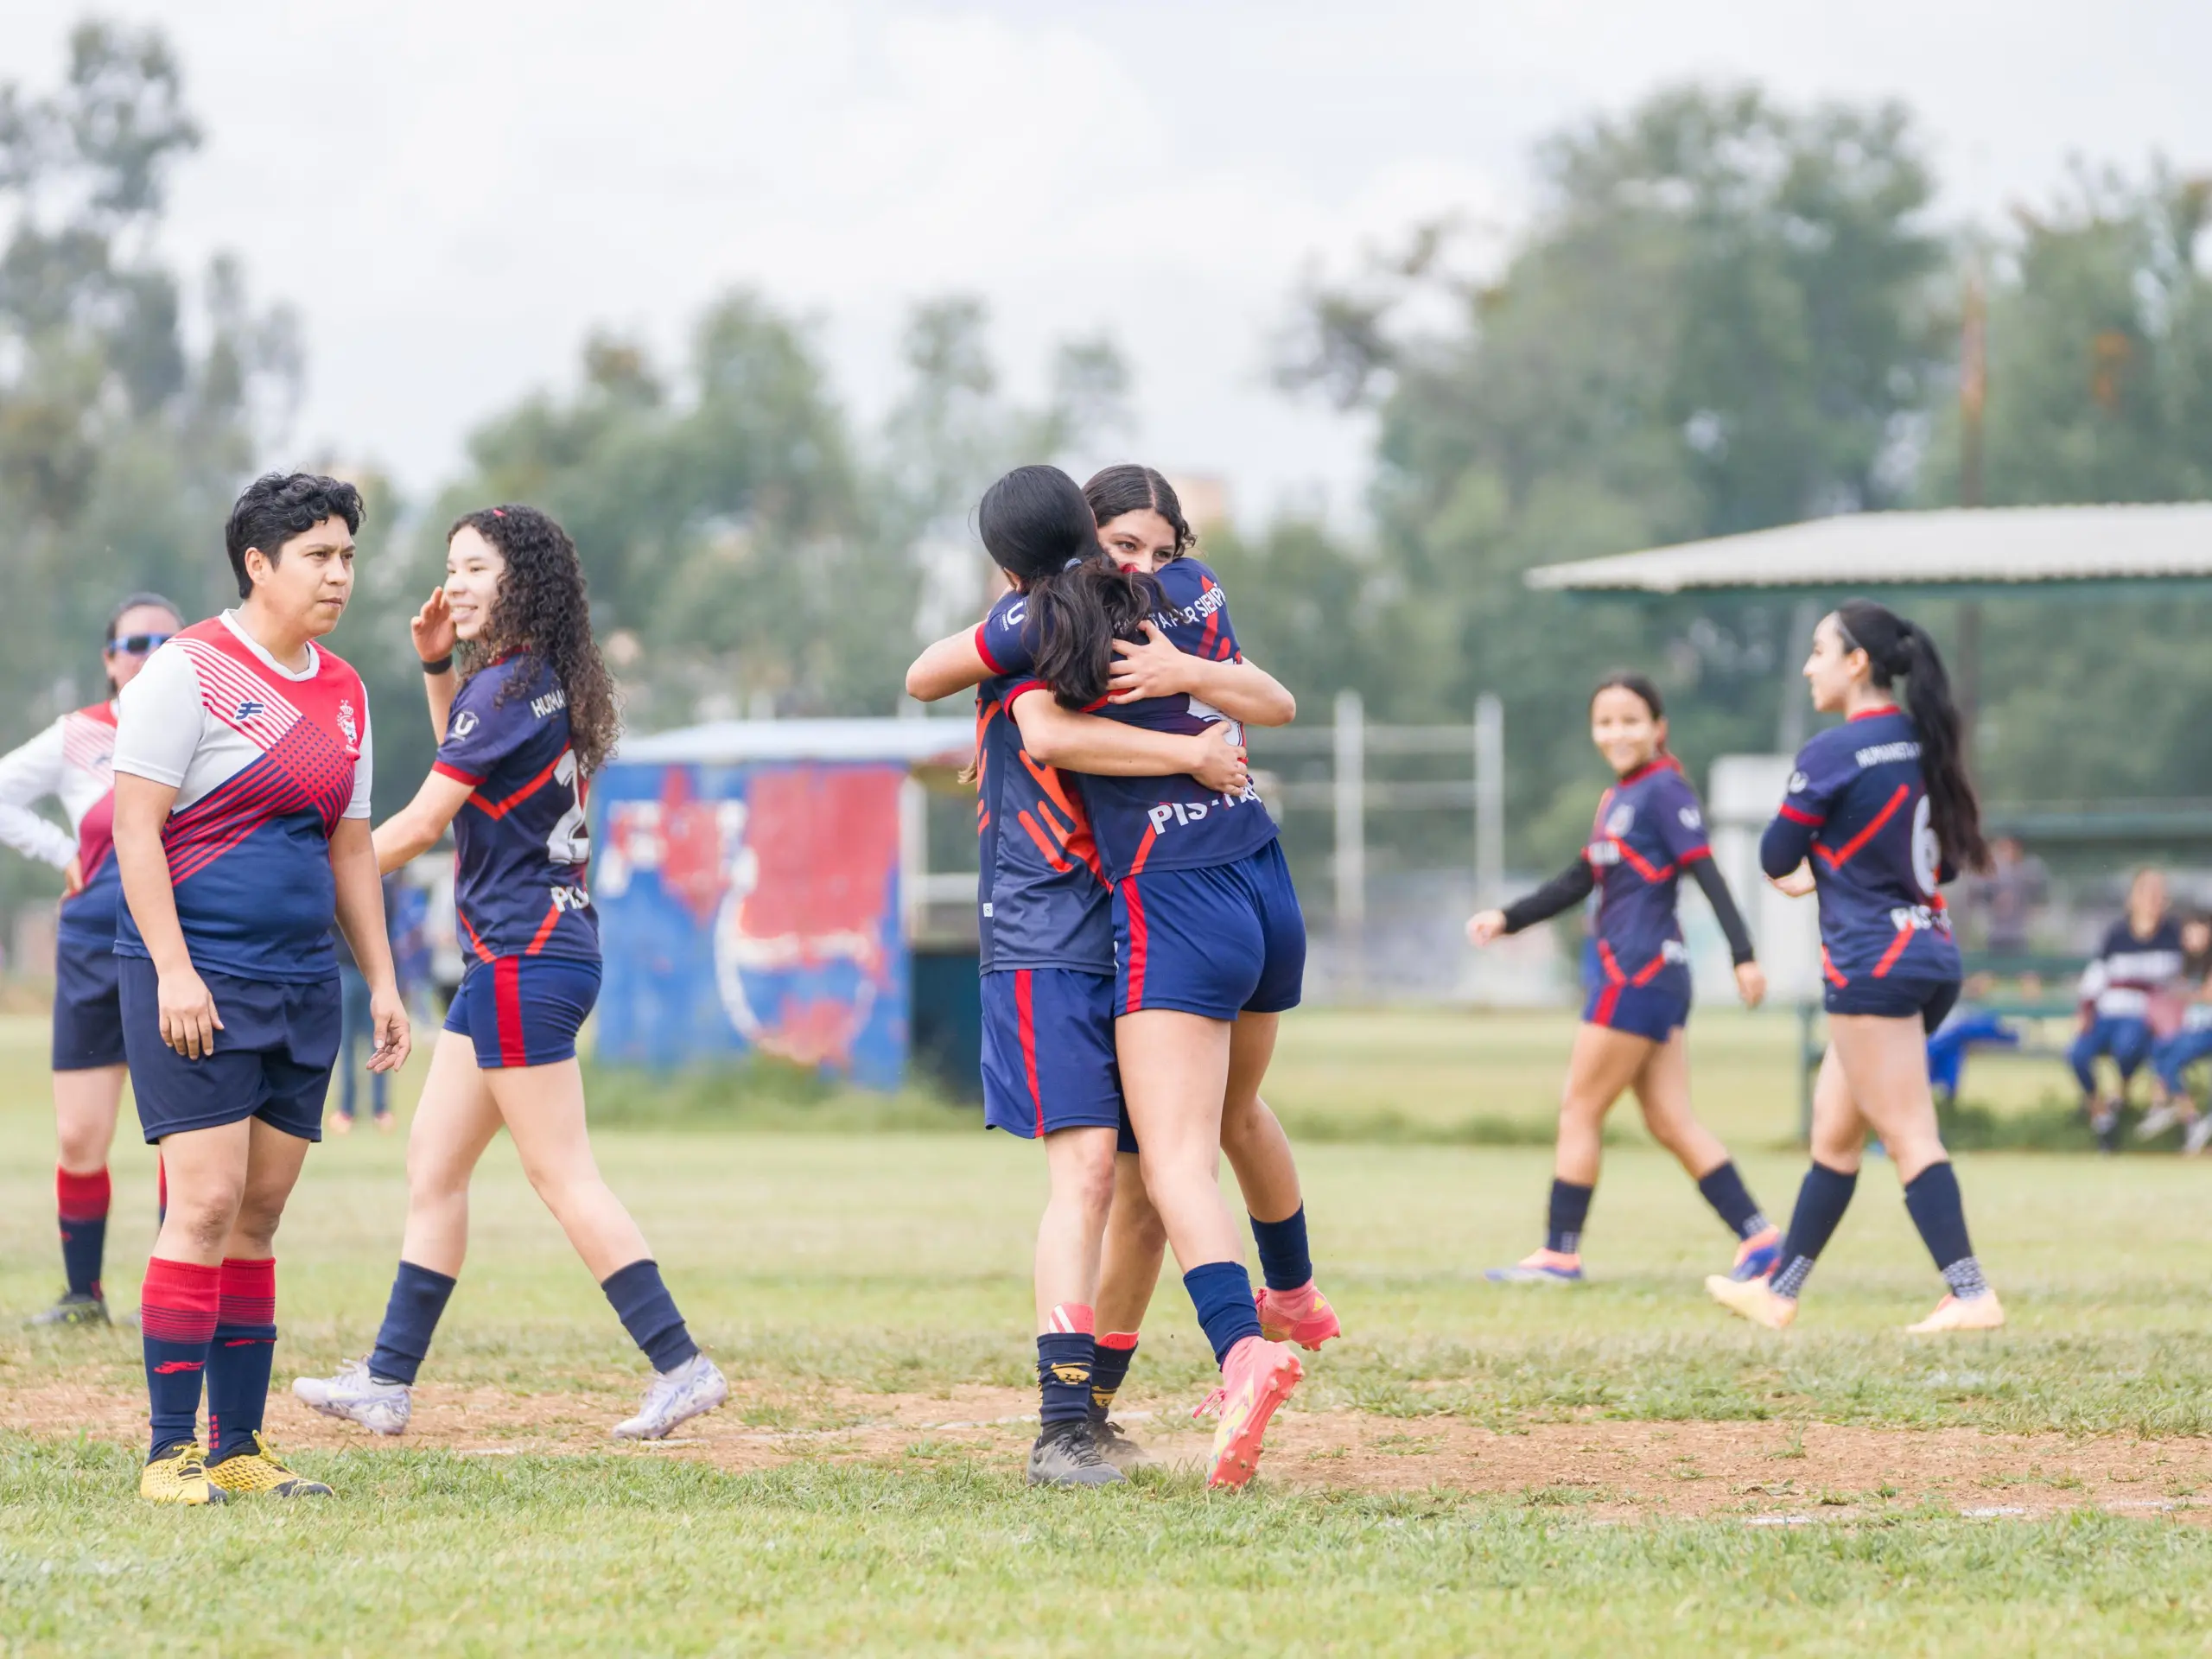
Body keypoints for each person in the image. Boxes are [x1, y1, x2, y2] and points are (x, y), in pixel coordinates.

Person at [902, 463, 1327, 1485]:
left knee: (1154, 1183)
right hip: (1050, 927)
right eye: (1118, 545)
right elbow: (1020, 719)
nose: (1136, 563)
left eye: (1154, 548)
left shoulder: (1146, 606)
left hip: (1141, 916)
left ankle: (1098, 1406)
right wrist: (1188, 758)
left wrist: (1188, 685)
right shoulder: (1031, 621)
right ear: (1077, 544)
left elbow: (1268, 696)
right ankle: (1066, 1425)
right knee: (1097, 1172)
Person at [292, 505, 727, 1443]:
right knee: (433, 1165)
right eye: (450, 567)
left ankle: (682, 1365)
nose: (455, 584)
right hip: (524, 955)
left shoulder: (508, 688)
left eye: (476, 569)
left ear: (521, 580)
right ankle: (388, 1383)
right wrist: (438, 668)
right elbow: (470, 773)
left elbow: (415, 824)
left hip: (526, 958)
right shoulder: (525, 683)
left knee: (562, 1176)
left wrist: (310, 873)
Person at [115, 473, 410, 1505]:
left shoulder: (347, 690)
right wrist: (174, 971)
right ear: (258, 563)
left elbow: (352, 844)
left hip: (300, 987)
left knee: (260, 1215)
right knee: (200, 1205)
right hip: (199, 984)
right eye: (319, 556)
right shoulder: (186, 672)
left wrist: (380, 977)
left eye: (347, 556)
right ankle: (167, 1455)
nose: (340, 575)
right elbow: (134, 831)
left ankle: (238, 1448)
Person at [1707, 599, 2001, 1334]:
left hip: (1872, 964)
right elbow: (1949, 860)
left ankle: (1970, 1292)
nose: (1810, 667)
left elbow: (1776, 856)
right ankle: (1778, 1294)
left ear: (1857, 663)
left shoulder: (1833, 750)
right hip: (1928, 952)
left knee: (1907, 1131)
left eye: (1817, 651)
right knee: (1836, 1134)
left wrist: (1814, 865)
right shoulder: (1923, 738)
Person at [1465, 674, 1777, 1285]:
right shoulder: (1617, 800)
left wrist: (1744, 953)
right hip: (1650, 977)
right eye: (1605, 721)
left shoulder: (1664, 790)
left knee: (1580, 1106)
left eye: (1631, 720)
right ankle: (1762, 1240)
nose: (1617, 732)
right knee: (1670, 1121)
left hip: (1637, 974)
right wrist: (1509, 918)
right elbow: (1580, 879)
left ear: (1658, 728)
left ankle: (1559, 1253)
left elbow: (1706, 872)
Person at [0, 591, 183, 1325]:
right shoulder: (78, 735)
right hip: (89, 948)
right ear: (110, 661)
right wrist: (62, 852)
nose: (151, 658)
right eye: (136, 645)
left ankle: (179, 1292)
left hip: (178, 947)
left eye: (169, 646)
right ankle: (84, 1296)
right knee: (80, 1135)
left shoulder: (201, 733)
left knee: (183, 1130)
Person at [2069, 868, 2183, 1152]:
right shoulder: (2117, 934)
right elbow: (2096, 976)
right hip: (2108, 1012)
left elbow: (2176, 982)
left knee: (2128, 1047)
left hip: (2141, 1015)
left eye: (2159, 893)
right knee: (2078, 1054)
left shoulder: (2173, 936)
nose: (2153, 900)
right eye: (2146, 892)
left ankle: (2117, 1099)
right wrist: (2085, 1011)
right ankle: (2101, 1113)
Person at [328, 872, 404, 1135]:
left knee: (381, 1044)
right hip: (345, 971)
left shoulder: (382, 885)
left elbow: (387, 924)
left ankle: (381, 1110)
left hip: (373, 977)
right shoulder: (338, 881)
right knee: (347, 1046)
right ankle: (346, 1110)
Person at [2139, 910, 2212, 1153]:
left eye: (2195, 931)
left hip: (2207, 1031)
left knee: (2172, 1060)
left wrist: (2182, 994)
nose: (2189, 938)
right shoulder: (2188, 962)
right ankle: (2178, 1112)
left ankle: (2184, 1115)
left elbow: (2206, 995)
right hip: (2193, 1029)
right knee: (2158, 1050)